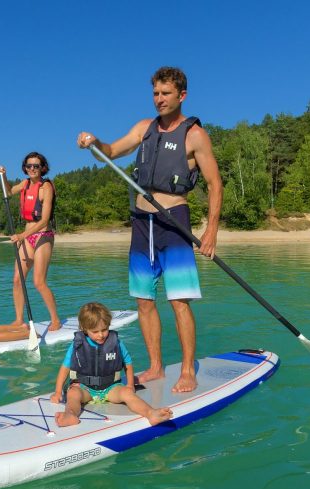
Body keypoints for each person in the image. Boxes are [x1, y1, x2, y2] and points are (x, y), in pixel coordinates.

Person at [77, 66, 223, 393]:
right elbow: (110, 152)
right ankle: (156, 367)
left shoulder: (195, 135)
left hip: (174, 222)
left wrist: (211, 230)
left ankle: (187, 370)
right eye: (155, 93)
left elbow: (215, 184)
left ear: (182, 95)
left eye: (166, 93)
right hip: (142, 223)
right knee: (144, 300)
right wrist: (94, 142)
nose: (159, 99)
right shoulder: (144, 128)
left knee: (179, 301)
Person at [50, 302, 173, 427]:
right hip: (85, 388)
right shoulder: (77, 345)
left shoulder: (116, 342)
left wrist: (130, 385)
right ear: (84, 329)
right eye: (95, 331)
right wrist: (58, 392)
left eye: (104, 330)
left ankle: (150, 413)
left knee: (127, 394)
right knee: (73, 394)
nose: (101, 335)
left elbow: (128, 363)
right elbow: (65, 368)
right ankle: (70, 415)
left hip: (111, 388)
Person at [0, 152, 62, 331]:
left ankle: (55, 320)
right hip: (27, 236)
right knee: (17, 280)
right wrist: (3, 176)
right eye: (29, 166)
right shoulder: (25, 184)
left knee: (38, 282)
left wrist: (21, 236)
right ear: (25, 168)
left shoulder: (46, 187)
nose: (32, 169)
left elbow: (44, 220)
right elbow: (9, 191)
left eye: (36, 166)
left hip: (43, 236)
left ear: (42, 168)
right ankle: (19, 320)